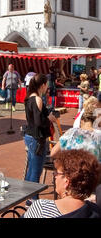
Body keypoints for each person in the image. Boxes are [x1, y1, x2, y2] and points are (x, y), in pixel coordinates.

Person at [24, 149, 101, 218]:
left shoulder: (42, 209)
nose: (55, 176)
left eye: (57, 173)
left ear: (66, 181)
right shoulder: (95, 210)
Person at [24, 74, 57, 205]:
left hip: (30, 136)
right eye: (47, 84)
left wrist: (46, 114)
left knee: (32, 167)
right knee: (36, 169)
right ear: (43, 85)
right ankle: (32, 199)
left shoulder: (29, 97)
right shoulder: (37, 99)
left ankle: (27, 196)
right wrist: (49, 119)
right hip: (37, 138)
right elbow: (39, 122)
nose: (47, 87)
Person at [50, 96, 101, 161]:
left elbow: (53, 154)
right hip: (92, 170)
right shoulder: (98, 136)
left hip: (72, 169)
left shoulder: (71, 133)